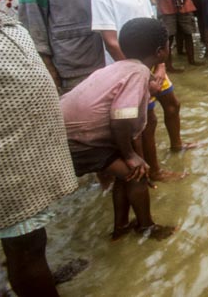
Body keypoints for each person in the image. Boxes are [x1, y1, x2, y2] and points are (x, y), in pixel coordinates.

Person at [61, 17, 176, 241]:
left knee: (125, 175)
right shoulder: (139, 73)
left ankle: (121, 228)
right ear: (160, 52)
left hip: (66, 135)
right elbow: (121, 118)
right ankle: (147, 228)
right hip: (80, 141)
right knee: (136, 174)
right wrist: (131, 155)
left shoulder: (118, 67)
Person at [91, 0, 194, 178]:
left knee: (172, 104)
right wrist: (140, 75)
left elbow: (154, 26)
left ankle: (177, 144)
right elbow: (111, 41)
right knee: (147, 121)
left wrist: (161, 66)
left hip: (152, 63)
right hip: (127, 70)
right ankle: (155, 170)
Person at [0, 10, 81, 297]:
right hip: (9, 164)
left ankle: (28, 276)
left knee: (28, 241)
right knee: (25, 246)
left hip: (23, 158)